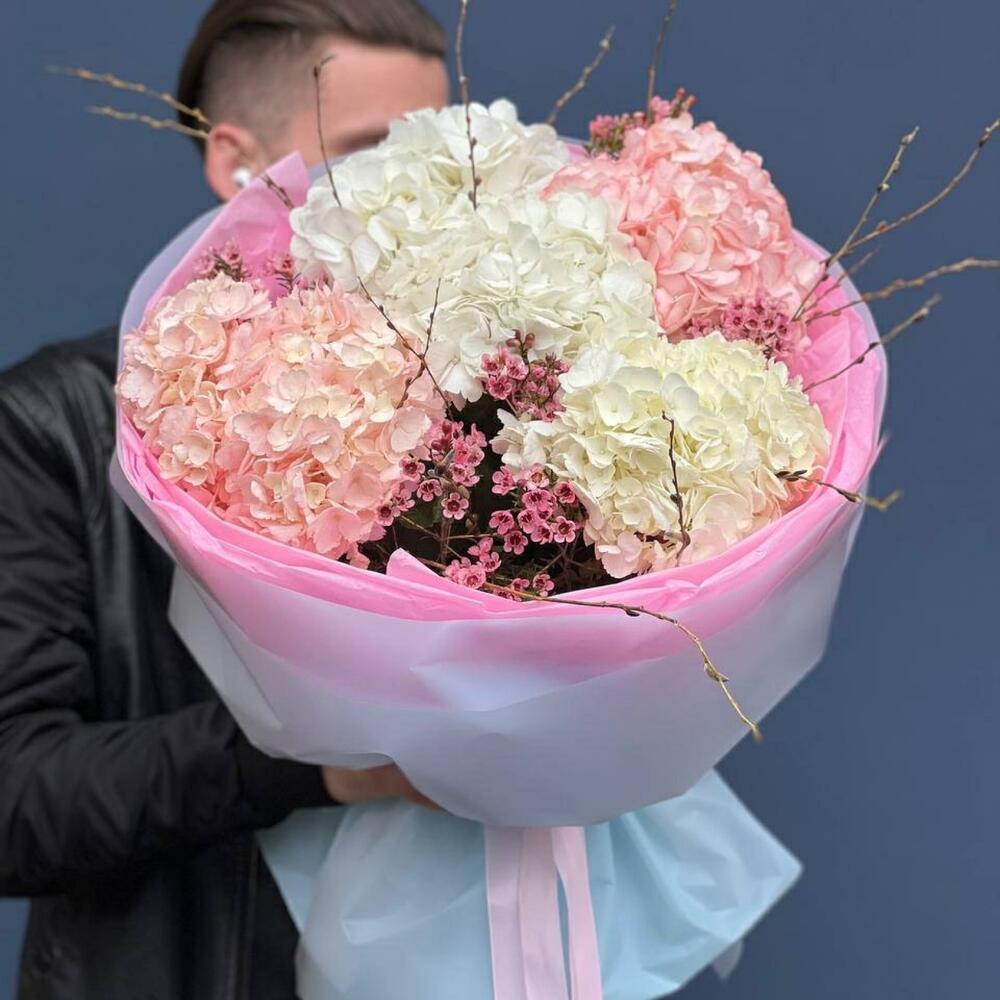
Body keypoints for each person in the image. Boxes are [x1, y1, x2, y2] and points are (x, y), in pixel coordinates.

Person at [0, 2, 449, 998]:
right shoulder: (51, 424)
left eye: (440, 152)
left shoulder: (493, 411)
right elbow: (13, 795)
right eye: (373, 149)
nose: (419, 189)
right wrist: (314, 761)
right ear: (238, 162)